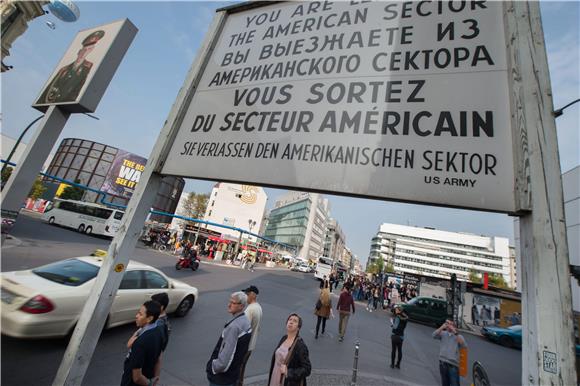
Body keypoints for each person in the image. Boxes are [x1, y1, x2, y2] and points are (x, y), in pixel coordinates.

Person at [37, 29, 105, 105]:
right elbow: (49, 89)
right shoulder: (64, 69)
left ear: (90, 51)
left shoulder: (89, 68)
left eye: (88, 50)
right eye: (84, 49)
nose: (84, 52)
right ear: (79, 51)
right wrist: (41, 103)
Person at [207, 292, 252, 386]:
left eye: (233, 303)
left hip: (221, 379)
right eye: (229, 301)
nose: (229, 305)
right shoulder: (245, 321)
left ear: (241, 306)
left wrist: (212, 367)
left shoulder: (234, 327)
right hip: (233, 375)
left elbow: (224, 360)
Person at [121, 300, 163, 386]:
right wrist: (156, 378)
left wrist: (150, 384)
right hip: (149, 375)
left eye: (140, 314)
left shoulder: (140, 342)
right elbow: (158, 358)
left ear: (149, 318)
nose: (136, 316)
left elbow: (137, 377)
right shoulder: (159, 331)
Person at [268, 314, 311, 386]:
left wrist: (289, 372)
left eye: (295, 321)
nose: (291, 322)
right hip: (275, 375)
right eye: (290, 319)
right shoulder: (284, 338)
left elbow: (307, 369)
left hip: (287, 381)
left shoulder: (300, 346)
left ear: (298, 328)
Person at [238, 286, 263, 386]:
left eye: (247, 295)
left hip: (245, 345)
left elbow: (244, 330)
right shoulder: (259, 307)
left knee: (238, 368)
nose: (245, 297)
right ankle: (240, 382)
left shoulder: (250, 310)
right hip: (251, 345)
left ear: (253, 295)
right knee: (242, 367)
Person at [432, 319, 467, 386]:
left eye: (449, 324)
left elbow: (464, 345)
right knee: (445, 384)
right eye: (446, 323)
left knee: (455, 384)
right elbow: (433, 335)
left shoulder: (458, 336)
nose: (447, 325)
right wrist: (442, 327)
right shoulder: (443, 334)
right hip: (442, 363)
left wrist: (454, 332)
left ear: (454, 326)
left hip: (453, 365)